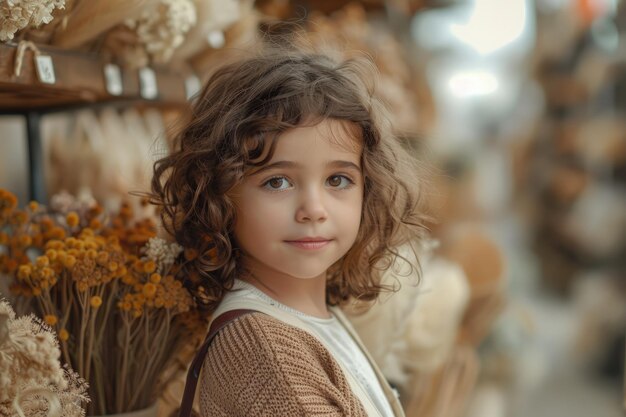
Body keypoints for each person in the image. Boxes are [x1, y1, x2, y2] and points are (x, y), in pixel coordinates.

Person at [151, 45, 427, 416]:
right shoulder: (264, 353)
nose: (313, 209)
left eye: (338, 179)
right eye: (278, 182)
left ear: (368, 189)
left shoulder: (308, 318)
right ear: (219, 195)